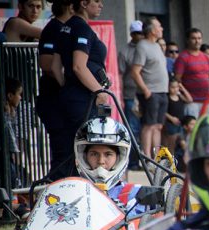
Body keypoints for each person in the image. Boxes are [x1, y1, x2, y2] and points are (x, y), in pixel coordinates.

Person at [56, 0, 108, 179]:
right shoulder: (81, 28)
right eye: (97, 1)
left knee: (70, 149)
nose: (101, 5)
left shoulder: (66, 27)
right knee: (82, 148)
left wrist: (67, 87)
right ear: (84, 3)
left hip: (71, 95)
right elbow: (79, 66)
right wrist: (99, 91)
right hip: (82, 99)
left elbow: (56, 67)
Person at [73, 116, 148, 216]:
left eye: (108, 154)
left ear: (119, 158)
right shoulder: (72, 191)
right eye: (94, 154)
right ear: (84, 157)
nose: (101, 161)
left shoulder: (135, 194)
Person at [37, 0, 73, 176]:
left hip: (63, 101)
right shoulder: (53, 29)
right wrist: (67, 85)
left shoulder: (68, 28)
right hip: (53, 100)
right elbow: (47, 64)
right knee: (62, 152)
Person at [131, 17, 169, 159]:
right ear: (152, 30)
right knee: (149, 125)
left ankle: (156, 157)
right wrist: (146, 90)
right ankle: (146, 157)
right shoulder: (142, 46)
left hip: (162, 91)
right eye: (159, 26)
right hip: (151, 92)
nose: (161, 29)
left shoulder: (157, 46)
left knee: (158, 126)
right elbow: (135, 72)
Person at [118, 20, 144, 169]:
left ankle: (147, 160)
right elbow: (120, 74)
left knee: (146, 129)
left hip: (146, 95)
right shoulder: (125, 51)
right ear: (131, 34)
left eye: (140, 33)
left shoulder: (147, 47)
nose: (138, 36)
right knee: (133, 129)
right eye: (136, 33)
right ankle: (133, 163)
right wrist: (121, 95)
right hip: (131, 95)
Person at [174, 28, 209, 117]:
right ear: (187, 40)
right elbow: (177, 79)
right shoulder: (183, 57)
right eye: (194, 38)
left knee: (205, 129)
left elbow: (208, 75)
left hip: (206, 101)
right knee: (192, 129)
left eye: (199, 38)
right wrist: (185, 96)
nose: (197, 41)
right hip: (191, 102)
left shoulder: (205, 57)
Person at [163, 78, 193, 154]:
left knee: (181, 142)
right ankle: (170, 160)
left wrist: (182, 88)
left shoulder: (179, 96)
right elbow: (163, 111)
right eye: (172, 87)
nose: (175, 89)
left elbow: (190, 100)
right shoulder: (167, 98)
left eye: (177, 87)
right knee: (171, 144)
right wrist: (171, 118)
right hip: (171, 124)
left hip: (180, 124)